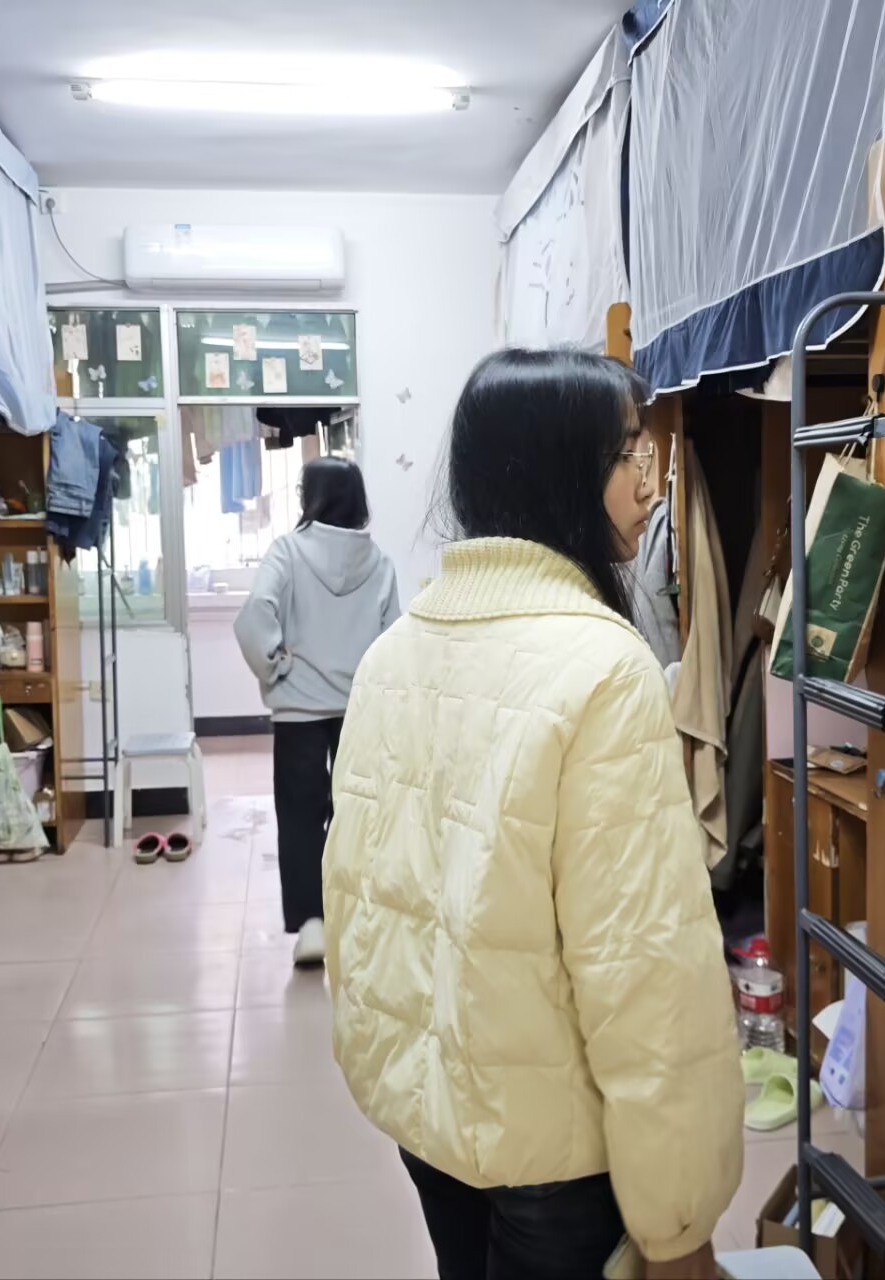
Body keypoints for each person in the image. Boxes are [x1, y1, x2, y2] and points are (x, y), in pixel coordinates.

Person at [323, 350, 742, 1280]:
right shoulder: (605, 668)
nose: (649, 482)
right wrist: (679, 1222)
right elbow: (646, 974)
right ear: (560, 468)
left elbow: (360, 902)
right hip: (555, 1155)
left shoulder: (393, 655)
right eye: (628, 453)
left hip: (429, 1117)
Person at [234, 457, 399, 966]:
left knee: (301, 816)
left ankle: (311, 925)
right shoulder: (380, 563)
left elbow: (255, 612)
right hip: (358, 709)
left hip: (298, 709)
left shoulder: (287, 552)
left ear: (311, 498)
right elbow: (393, 640)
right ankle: (357, 919)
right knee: (356, 812)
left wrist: (274, 667)